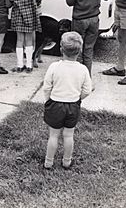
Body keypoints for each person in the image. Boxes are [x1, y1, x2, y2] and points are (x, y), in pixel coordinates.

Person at [43, 31, 92, 169]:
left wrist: (48, 100)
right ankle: (66, 161)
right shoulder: (83, 69)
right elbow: (87, 90)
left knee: (53, 135)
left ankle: (48, 162)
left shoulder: (54, 67)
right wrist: (77, 99)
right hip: (73, 105)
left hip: (55, 104)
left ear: (61, 49)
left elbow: (47, 87)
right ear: (80, 51)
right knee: (69, 135)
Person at [9, 0, 43, 72]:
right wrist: (36, 3)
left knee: (19, 40)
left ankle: (19, 65)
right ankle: (29, 65)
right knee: (29, 40)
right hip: (31, 12)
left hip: (18, 12)